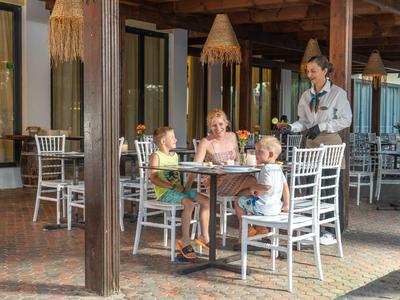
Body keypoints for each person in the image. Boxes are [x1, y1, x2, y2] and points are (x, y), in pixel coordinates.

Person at [281, 55, 352, 245]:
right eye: (307, 71)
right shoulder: (306, 96)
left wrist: (321, 127)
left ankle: (332, 231)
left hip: (330, 144)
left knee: (330, 187)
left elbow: (346, 119)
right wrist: (291, 127)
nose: (309, 74)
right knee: (312, 186)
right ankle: (314, 228)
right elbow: (303, 121)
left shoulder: (338, 93)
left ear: (324, 71)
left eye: (313, 70)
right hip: (311, 145)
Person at [185, 109, 260, 239]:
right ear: (209, 127)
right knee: (255, 184)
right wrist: (187, 187)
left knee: (245, 194)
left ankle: (246, 232)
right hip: (216, 182)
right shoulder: (206, 142)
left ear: (226, 123)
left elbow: (236, 159)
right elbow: (195, 166)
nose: (218, 128)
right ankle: (252, 227)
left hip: (235, 177)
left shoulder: (232, 136)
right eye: (214, 125)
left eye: (220, 124)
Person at [149, 127, 210, 260]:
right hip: (165, 192)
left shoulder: (175, 156)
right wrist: (173, 186)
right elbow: (153, 178)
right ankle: (185, 241)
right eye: (172, 137)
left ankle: (204, 236)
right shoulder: (156, 156)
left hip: (179, 190)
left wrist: (182, 187)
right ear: (163, 141)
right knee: (189, 204)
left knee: (206, 201)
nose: (176, 139)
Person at [234, 136, 289, 248]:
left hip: (263, 208)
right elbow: (285, 186)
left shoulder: (266, 168)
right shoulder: (278, 168)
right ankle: (260, 229)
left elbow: (267, 186)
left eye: (260, 152)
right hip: (275, 208)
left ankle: (247, 229)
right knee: (250, 199)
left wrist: (254, 187)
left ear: (270, 154)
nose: (256, 154)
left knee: (238, 201)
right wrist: (287, 204)